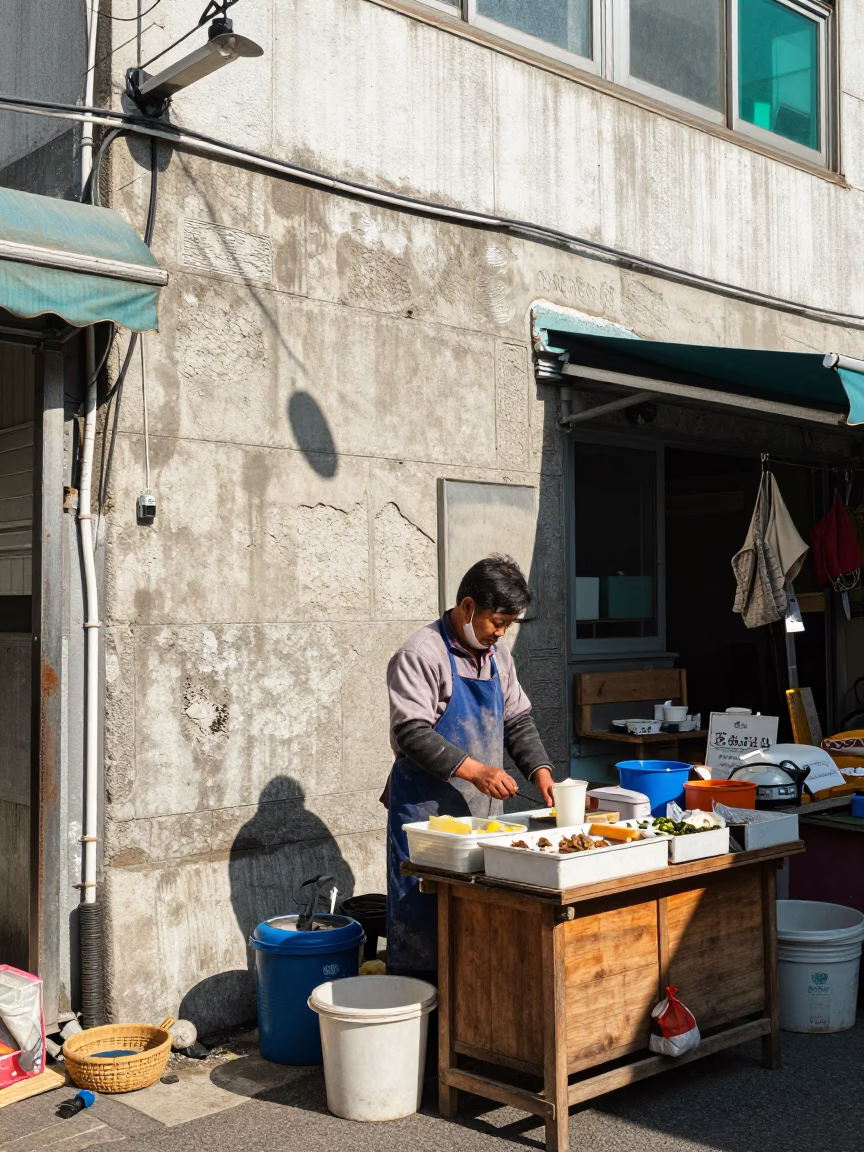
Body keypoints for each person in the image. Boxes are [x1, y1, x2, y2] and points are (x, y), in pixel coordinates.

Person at [383, 555, 555, 979]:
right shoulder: (421, 654)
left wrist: (542, 773)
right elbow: (412, 732)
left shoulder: (497, 657)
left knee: (477, 930)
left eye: (508, 625)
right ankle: (422, 1015)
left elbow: (518, 721)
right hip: (425, 821)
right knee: (422, 922)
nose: (500, 633)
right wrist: (476, 771)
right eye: (497, 622)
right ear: (467, 607)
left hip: (483, 818)